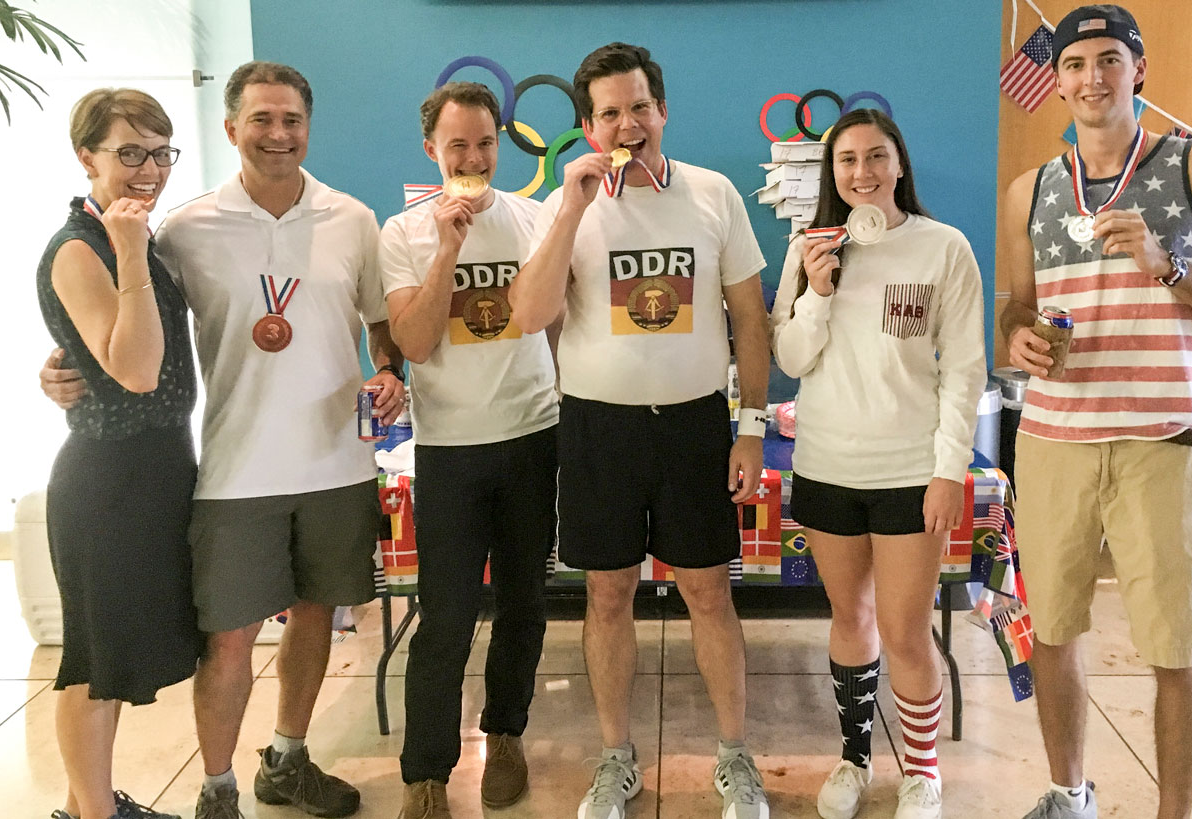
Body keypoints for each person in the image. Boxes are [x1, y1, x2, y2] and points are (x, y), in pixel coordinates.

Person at [42, 61, 406, 819]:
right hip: (234, 468)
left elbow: (381, 322)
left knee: (316, 614)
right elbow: (117, 317)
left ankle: (289, 758)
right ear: (232, 128)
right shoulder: (182, 228)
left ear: (309, 128)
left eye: (292, 120)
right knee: (228, 640)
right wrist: (58, 364)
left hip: (337, 460)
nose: (278, 134)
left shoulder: (353, 218)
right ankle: (217, 789)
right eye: (262, 119)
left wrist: (389, 368)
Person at [1000, 6, 1192, 819]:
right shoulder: (1032, 190)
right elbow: (1017, 310)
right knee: (1052, 629)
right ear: (1056, 81)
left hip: (1163, 441)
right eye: (1077, 63)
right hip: (1053, 438)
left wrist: (1169, 267)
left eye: (1109, 60)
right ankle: (1067, 792)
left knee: (1175, 647)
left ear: (1138, 70)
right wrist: (1019, 341)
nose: (1092, 77)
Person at [510, 42, 772, 819]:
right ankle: (615, 759)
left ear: (663, 111)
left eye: (639, 107)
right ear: (589, 127)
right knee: (607, 594)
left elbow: (750, 320)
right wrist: (571, 207)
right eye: (609, 113)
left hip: (695, 424)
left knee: (707, 592)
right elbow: (528, 316)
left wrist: (750, 427)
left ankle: (735, 757)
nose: (627, 124)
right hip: (598, 427)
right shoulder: (569, 206)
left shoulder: (714, 193)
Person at [771, 108, 986, 819]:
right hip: (827, 463)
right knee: (848, 616)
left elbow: (963, 369)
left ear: (900, 165)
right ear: (831, 174)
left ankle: (922, 768)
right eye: (846, 161)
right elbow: (791, 360)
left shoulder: (944, 248)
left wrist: (948, 469)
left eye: (875, 157)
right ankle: (855, 757)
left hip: (908, 471)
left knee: (903, 627)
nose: (861, 173)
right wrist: (819, 292)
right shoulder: (809, 248)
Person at [378, 81, 560, 819]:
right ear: (432, 150)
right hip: (449, 446)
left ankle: (507, 732)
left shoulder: (534, 218)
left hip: (530, 434)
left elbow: (550, 322)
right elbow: (415, 342)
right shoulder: (401, 233)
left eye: (485, 143)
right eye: (458, 145)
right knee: (445, 614)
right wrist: (446, 249)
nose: (474, 157)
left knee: (525, 601)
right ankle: (425, 772)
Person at [39, 88, 202, 819]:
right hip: (106, 480)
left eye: (159, 152)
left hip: (159, 469)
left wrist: (62, 358)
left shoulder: (128, 237)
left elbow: (110, 351)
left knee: (119, 655)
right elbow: (136, 370)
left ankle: (89, 806)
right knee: (92, 665)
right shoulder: (83, 246)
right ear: (87, 157)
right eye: (128, 152)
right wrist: (133, 251)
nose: (149, 169)